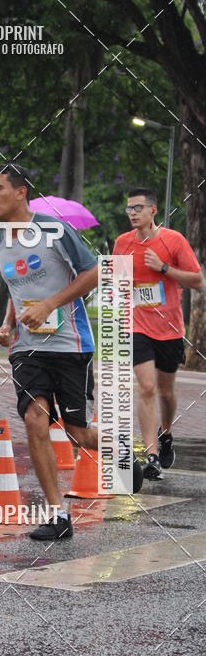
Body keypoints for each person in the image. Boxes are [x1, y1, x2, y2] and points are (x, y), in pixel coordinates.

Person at [0, 163, 99, 541]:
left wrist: (50, 304)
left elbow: (93, 273)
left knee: (79, 434)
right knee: (35, 418)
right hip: (28, 347)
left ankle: (119, 448)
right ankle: (58, 515)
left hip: (71, 344)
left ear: (21, 192)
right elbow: (16, 291)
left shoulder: (54, 231)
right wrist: (8, 324)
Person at [113, 188, 204, 480]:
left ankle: (166, 434)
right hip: (136, 325)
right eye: (129, 208)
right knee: (147, 387)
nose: (132, 213)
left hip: (169, 328)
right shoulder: (122, 242)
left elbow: (197, 280)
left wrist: (164, 268)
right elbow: (115, 283)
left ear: (153, 210)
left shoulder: (173, 240)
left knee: (165, 392)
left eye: (138, 208)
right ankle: (151, 456)